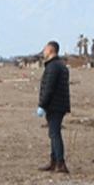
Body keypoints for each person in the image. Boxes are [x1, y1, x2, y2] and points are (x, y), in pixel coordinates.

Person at [37, 40, 71, 174]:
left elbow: (49, 88)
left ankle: (60, 163)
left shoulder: (53, 67)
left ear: (51, 50)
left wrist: (42, 105)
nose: (43, 52)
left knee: (54, 133)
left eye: (45, 49)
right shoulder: (60, 65)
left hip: (55, 105)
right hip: (59, 104)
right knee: (53, 133)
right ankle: (54, 161)